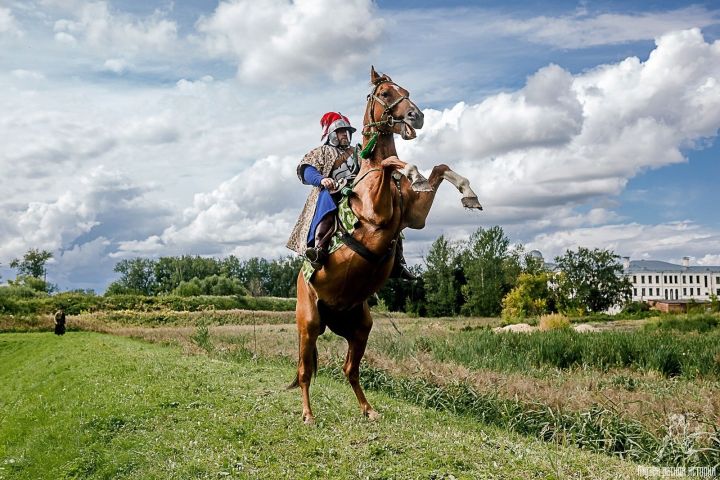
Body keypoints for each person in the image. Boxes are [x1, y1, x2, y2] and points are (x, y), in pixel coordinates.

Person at [287, 112, 414, 279]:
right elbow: (306, 169)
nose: (345, 135)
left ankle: (397, 260)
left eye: (347, 132)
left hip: (359, 190)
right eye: (341, 132)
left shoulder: (358, 151)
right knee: (327, 196)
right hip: (335, 189)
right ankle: (320, 248)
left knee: (390, 209)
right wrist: (322, 179)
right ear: (332, 134)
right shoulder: (322, 151)